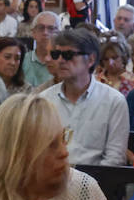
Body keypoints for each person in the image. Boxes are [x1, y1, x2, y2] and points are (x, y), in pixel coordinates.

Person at [43, 27, 129, 166]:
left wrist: (83, 185)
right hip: (51, 181)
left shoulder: (114, 101)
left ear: (90, 60)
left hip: (96, 182)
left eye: (68, 55)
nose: (60, 60)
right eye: (56, 54)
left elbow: (114, 160)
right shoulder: (44, 100)